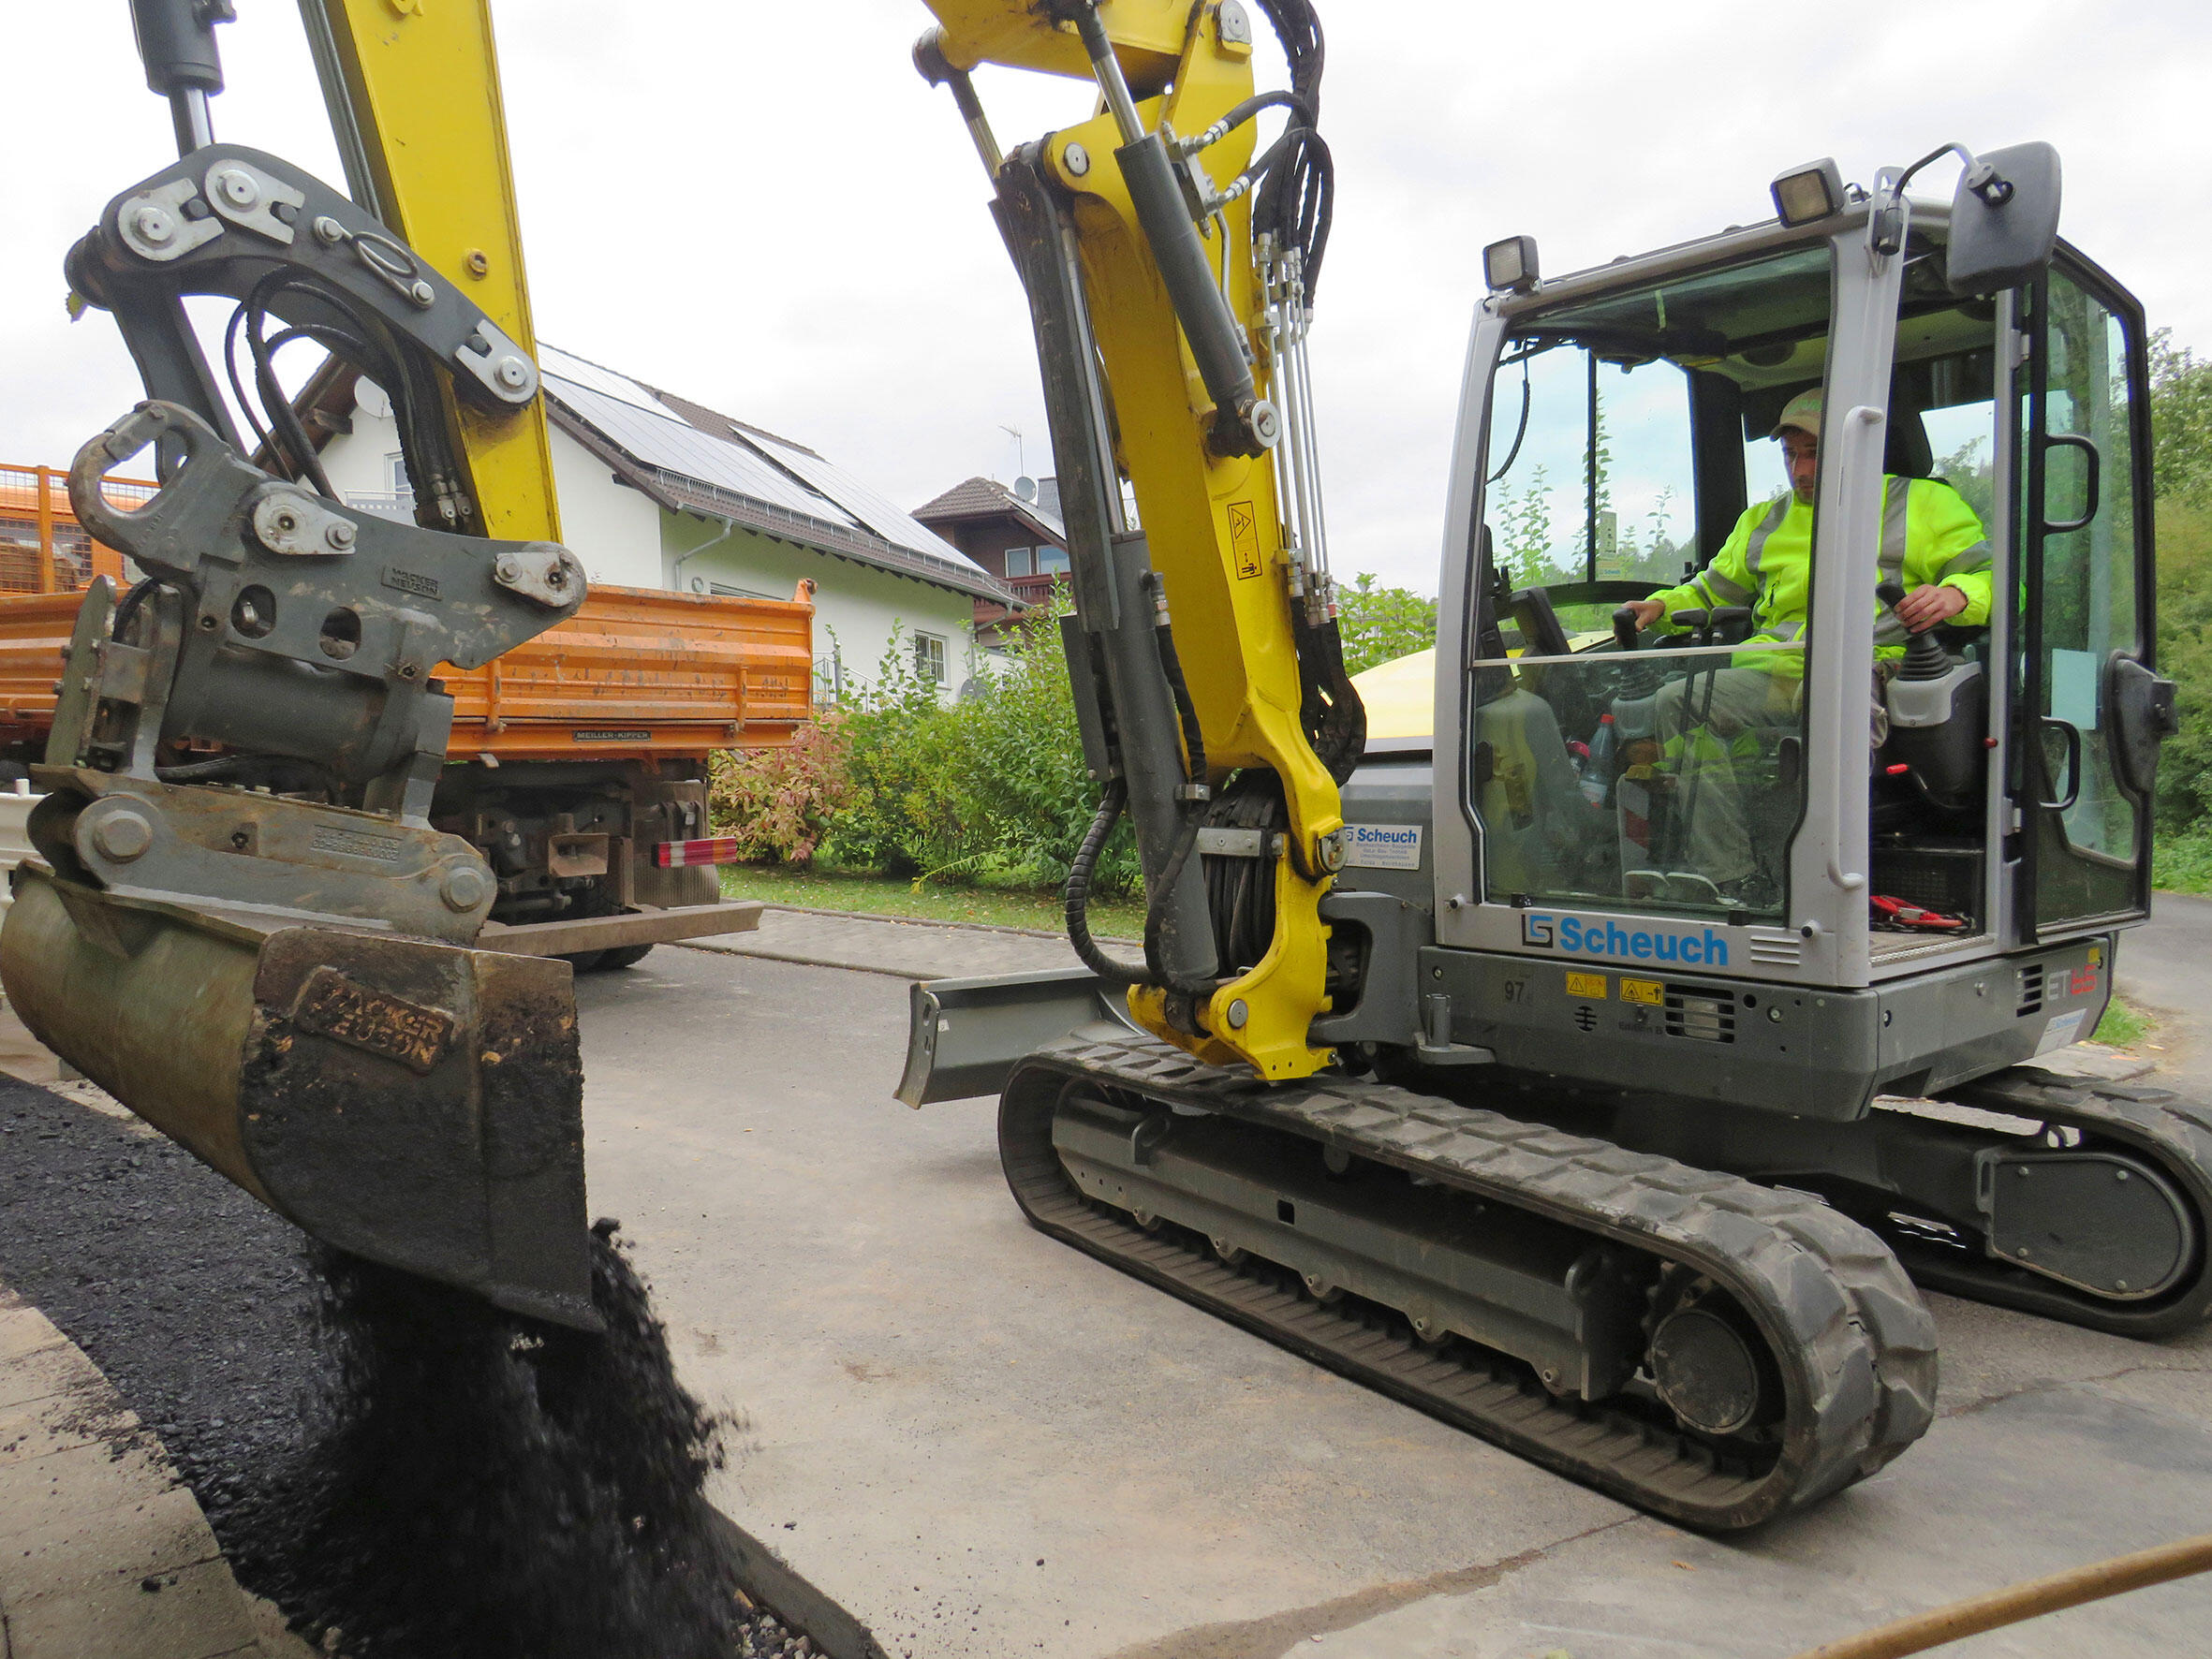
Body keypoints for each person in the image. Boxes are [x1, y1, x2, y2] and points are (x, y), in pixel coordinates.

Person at [1616, 389, 1992, 896]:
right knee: (1678, 701)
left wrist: (1956, 594)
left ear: (1856, 446)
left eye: (1814, 453)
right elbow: (1711, 589)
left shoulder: (1923, 503)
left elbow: (1996, 579)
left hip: (1867, 666)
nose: (1800, 470)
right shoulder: (1764, 520)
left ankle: (1831, 878)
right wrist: (1661, 606)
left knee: (1834, 699)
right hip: (1774, 670)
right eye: (1791, 455)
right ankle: (1731, 876)